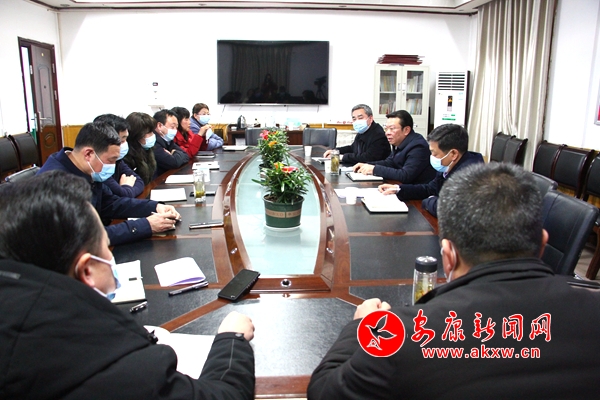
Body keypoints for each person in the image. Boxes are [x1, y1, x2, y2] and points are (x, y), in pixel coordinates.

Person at [308, 162, 600, 399]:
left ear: (447, 256)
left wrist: (363, 326)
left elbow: (324, 391)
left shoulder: (406, 334)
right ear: (543, 243)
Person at [0, 171, 255, 400]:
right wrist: (231, 340)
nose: (110, 254)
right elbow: (224, 395)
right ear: (87, 270)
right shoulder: (119, 373)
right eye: (106, 244)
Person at [38, 121, 180, 246]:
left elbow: (111, 203)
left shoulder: (86, 169)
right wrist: (146, 225)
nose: (113, 166)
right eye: (111, 160)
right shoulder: (55, 183)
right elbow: (84, 237)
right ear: (88, 154)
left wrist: (155, 206)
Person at [378, 123, 483, 217]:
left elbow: (448, 209)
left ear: (453, 154)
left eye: (435, 154)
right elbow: (430, 189)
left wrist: (429, 201)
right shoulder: (448, 164)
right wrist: (398, 189)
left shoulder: (470, 175)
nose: (432, 157)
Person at [352, 110, 436, 184]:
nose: (387, 133)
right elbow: (389, 162)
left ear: (406, 130)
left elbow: (406, 175)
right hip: (400, 186)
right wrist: (366, 165)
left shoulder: (418, 147)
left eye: (392, 128)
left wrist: (374, 169)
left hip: (416, 193)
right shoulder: (400, 142)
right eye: (386, 128)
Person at [93, 113, 144, 197]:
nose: (125, 144)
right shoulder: (100, 166)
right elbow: (122, 194)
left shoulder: (118, 161)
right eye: (122, 140)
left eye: (126, 140)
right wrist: (126, 187)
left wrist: (126, 190)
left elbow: (139, 182)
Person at [324, 104, 390, 164]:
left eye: (360, 118)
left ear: (370, 118)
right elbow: (353, 148)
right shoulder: (363, 131)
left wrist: (342, 157)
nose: (357, 121)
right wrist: (335, 151)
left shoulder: (378, 134)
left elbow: (368, 157)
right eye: (354, 119)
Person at [153, 109, 189, 177]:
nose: (175, 130)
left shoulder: (168, 140)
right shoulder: (153, 141)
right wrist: (175, 155)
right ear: (159, 125)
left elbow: (186, 156)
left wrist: (174, 153)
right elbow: (173, 163)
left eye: (176, 127)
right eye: (172, 127)